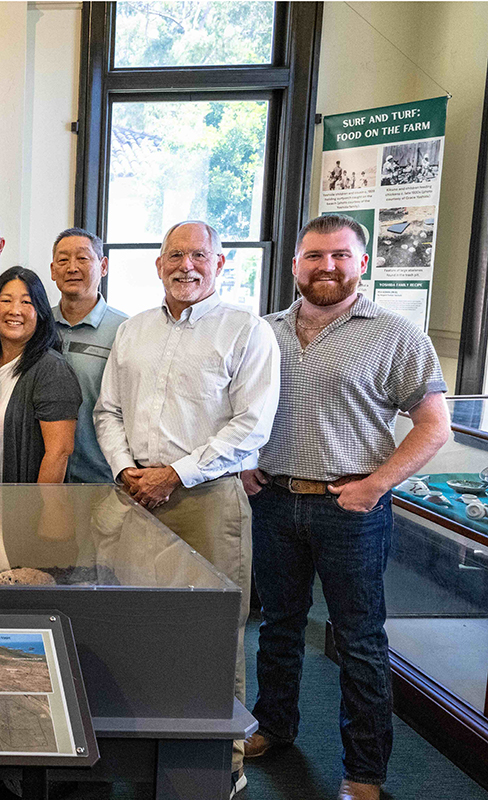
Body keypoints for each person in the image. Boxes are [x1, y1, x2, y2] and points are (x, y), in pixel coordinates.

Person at [241, 215, 450, 800]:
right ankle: (275, 727)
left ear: (362, 263)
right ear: (294, 265)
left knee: (358, 641)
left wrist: (378, 484)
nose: (325, 266)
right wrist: (246, 458)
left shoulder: (396, 334)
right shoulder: (264, 332)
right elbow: (240, 406)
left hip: (352, 508)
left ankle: (364, 773)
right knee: (278, 627)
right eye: (314, 256)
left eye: (338, 256)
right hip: (276, 502)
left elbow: (434, 426)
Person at [94, 220, 280, 793]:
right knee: (135, 621)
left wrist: (175, 474)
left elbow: (252, 426)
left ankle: (221, 764)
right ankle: (146, 744)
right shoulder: (134, 331)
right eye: (175, 255)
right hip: (133, 495)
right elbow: (108, 411)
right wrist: (129, 470)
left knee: (214, 628)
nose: (186, 266)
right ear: (158, 264)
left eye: (199, 255)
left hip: (205, 499)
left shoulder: (246, 330)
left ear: (220, 263)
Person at [0, 267, 80, 483]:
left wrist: (41, 511)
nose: (15, 310)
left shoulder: (52, 370)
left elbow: (58, 453)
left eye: (26, 302)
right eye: (6, 300)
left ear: (40, 312)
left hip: (23, 507)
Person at [50, 227, 128, 483]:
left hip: (104, 479)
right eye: (63, 260)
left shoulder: (126, 331)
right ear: (53, 270)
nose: (72, 267)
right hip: (43, 478)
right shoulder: (37, 325)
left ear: (103, 266)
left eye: (83, 258)